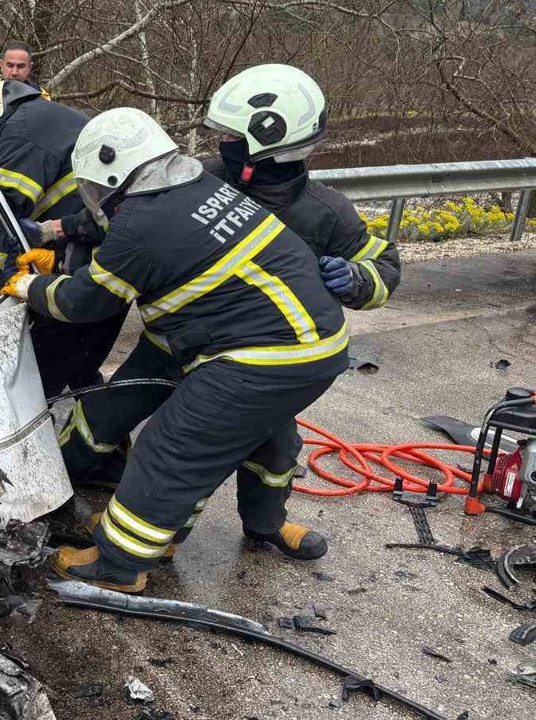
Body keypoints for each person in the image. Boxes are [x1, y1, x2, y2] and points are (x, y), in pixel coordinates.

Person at [3, 107, 348, 592]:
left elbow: (84, 302)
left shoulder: (142, 224)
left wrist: (29, 285)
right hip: (312, 348)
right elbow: (125, 229)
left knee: (173, 447)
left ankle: (120, 564)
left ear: (113, 177)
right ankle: (225, 527)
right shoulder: (198, 187)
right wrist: (56, 234)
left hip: (257, 357)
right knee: (265, 438)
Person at [43, 65, 401, 525]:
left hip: (253, 357)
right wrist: (59, 229)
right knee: (105, 412)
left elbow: (386, 267)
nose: (222, 144)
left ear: (266, 141)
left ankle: (265, 525)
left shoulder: (325, 212)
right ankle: (59, 486)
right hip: (173, 338)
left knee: (272, 448)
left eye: (232, 135)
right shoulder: (203, 177)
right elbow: (128, 215)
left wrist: (356, 280)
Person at [0, 77, 123, 396]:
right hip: (107, 257)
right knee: (80, 373)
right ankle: (102, 441)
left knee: (31, 385)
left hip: (95, 268)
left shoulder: (21, 134)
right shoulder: (36, 119)